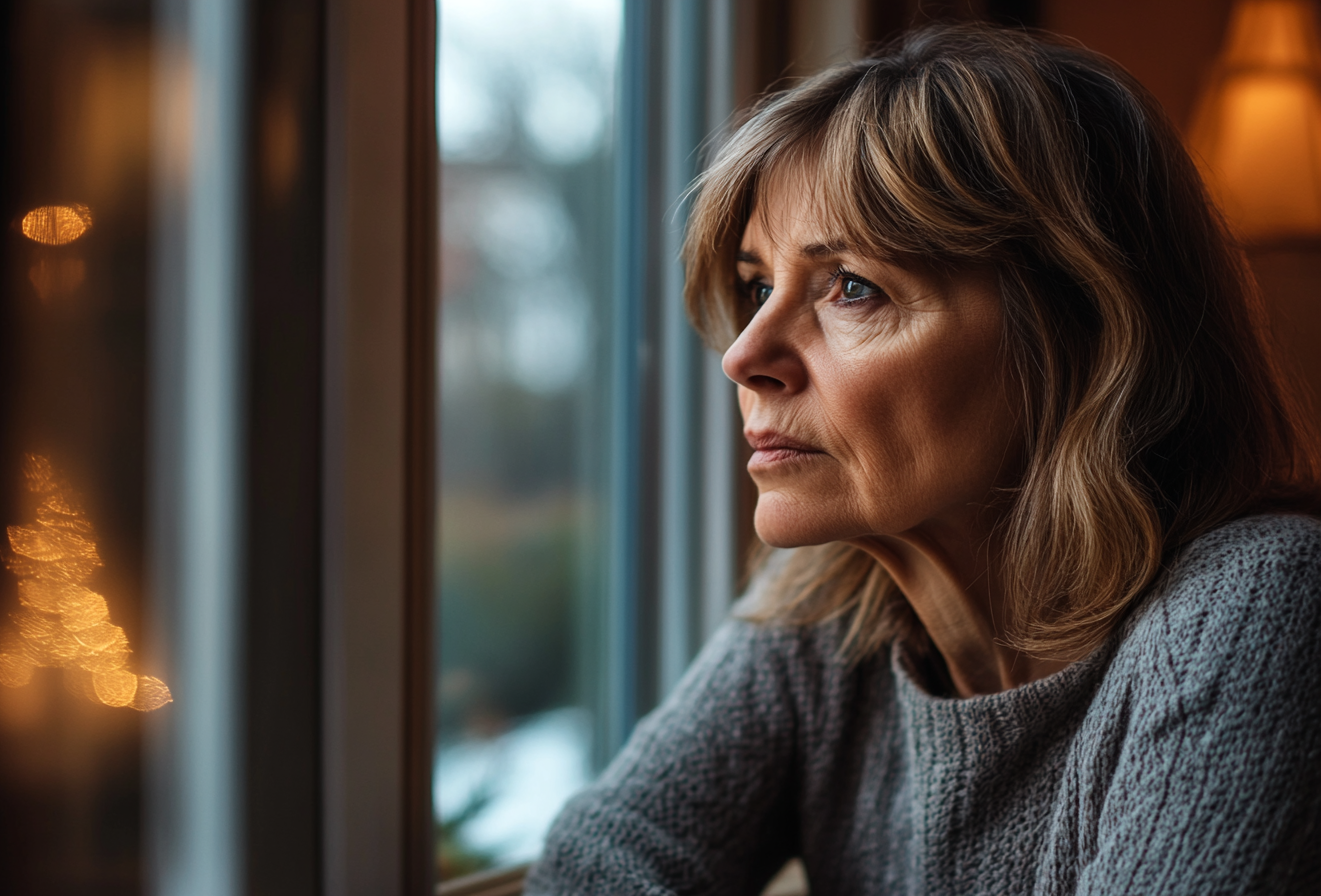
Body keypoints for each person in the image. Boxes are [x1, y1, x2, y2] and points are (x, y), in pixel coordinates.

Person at [525, 23, 1321, 895]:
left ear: (1079, 335)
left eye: (853, 287)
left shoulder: (1257, 604)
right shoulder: (831, 603)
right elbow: (598, 865)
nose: (744, 354)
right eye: (758, 286)